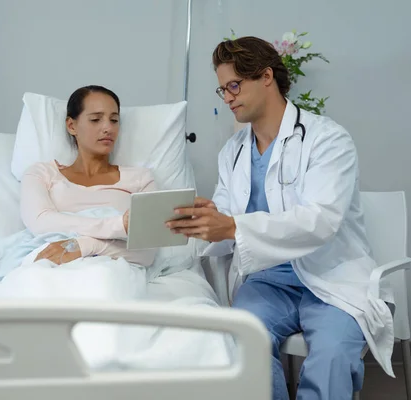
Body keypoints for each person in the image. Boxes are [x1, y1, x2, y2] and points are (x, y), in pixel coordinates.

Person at [166, 37, 395, 399]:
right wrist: (209, 221)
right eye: (222, 89)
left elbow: (322, 220)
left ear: (266, 76)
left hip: (329, 278)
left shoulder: (326, 139)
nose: (227, 97)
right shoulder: (233, 151)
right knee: (243, 342)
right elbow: (227, 217)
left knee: (333, 355)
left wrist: (233, 225)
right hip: (268, 281)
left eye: (234, 86)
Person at [20, 85, 157, 267]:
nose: (108, 128)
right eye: (95, 119)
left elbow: (148, 253)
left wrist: (86, 245)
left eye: (114, 120)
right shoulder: (41, 174)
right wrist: (119, 226)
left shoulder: (141, 179)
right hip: (52, 267)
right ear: (71, 125)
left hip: (112, 272)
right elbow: (40, 223)